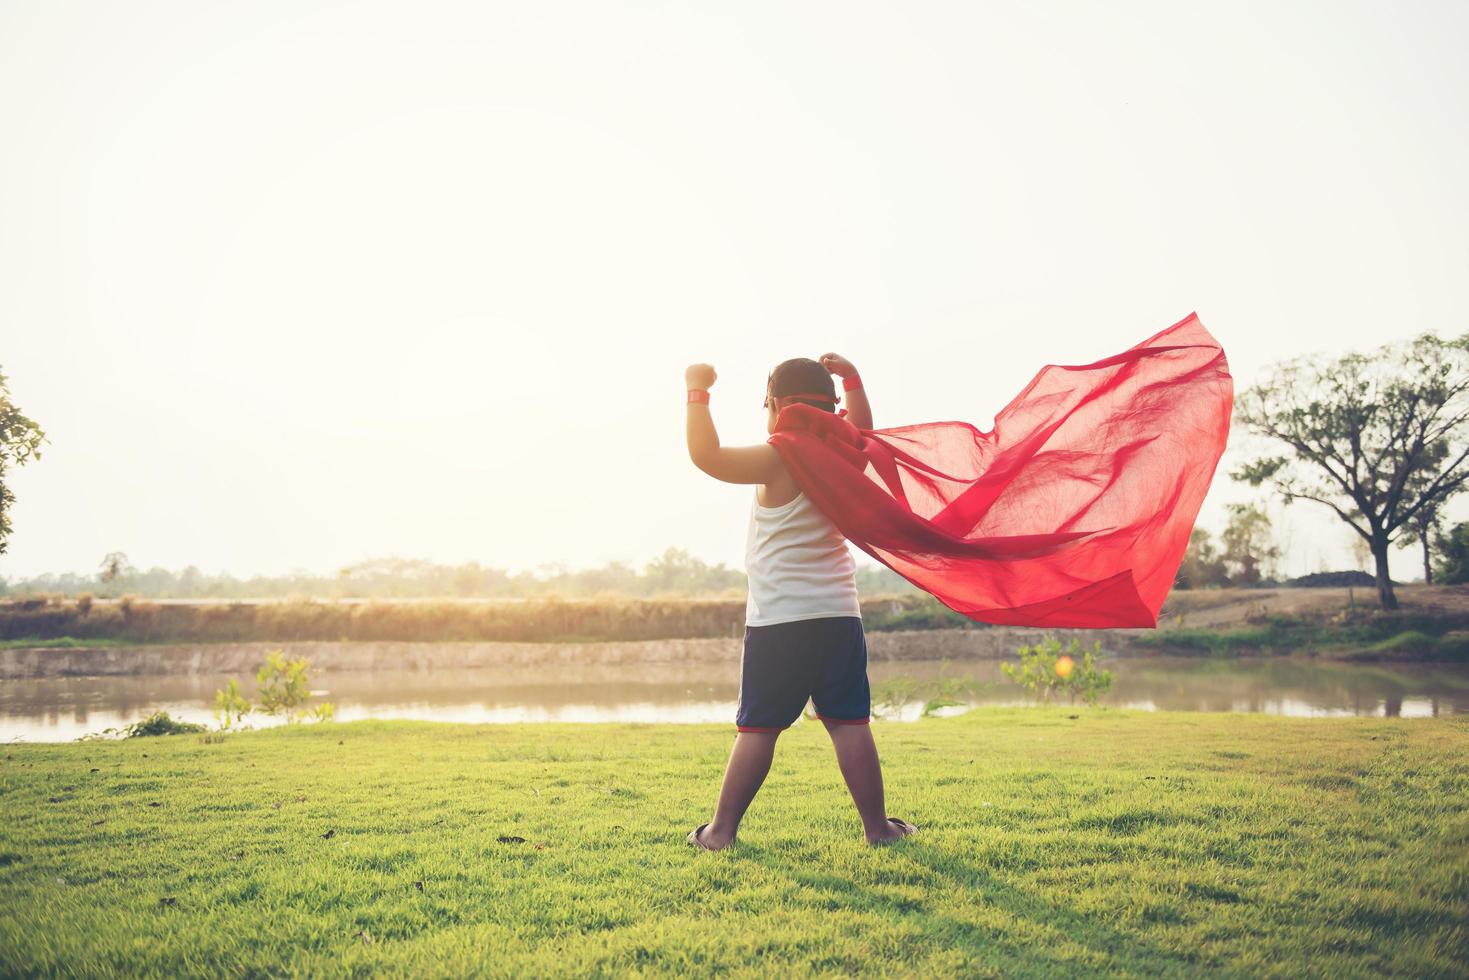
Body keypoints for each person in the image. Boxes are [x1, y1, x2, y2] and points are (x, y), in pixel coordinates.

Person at [682, 353, 917, 850]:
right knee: (849, 722)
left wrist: (696, 390)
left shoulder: (780, 455)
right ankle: (878, 830)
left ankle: (720, 832)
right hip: (838, 615)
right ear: (832, 409)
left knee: (759, 729)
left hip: (780, 623)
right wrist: (853, 378)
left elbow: (708, 456)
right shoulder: (842, 454)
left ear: (776, 405)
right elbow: (866, 430)